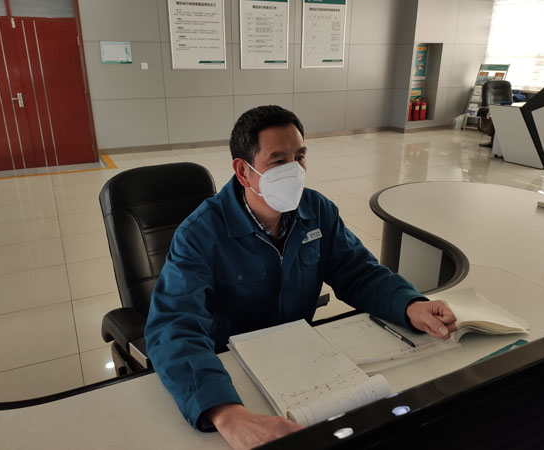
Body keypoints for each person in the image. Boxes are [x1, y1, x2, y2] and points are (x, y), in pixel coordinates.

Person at [145, 105, 457, 449]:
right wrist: (224, 412)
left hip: (302, 365)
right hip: (232, 371)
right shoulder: (200, 233)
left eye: (300, 157)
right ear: (243, 171)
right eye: (279, 161)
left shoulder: (317, 210)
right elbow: (174, 325)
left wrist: (409, 304)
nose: (294, 170)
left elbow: (358, 271)